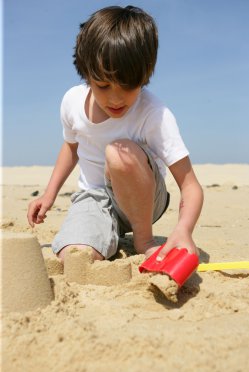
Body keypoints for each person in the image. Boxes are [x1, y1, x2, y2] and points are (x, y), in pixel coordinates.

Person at [27, 5, 203, 263]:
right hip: (95, 197)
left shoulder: (154, 114)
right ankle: (104, 230)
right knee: (75, 256)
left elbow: (191, 186)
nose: (116, 97)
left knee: (118, 153)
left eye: (129, 85)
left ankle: (144, 240)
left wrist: (184, 230)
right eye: (103, 85)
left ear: (146, 75)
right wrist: (49, 194)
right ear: (86, 73)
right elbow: (71, 147)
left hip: (145, 198)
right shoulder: (71, 102)